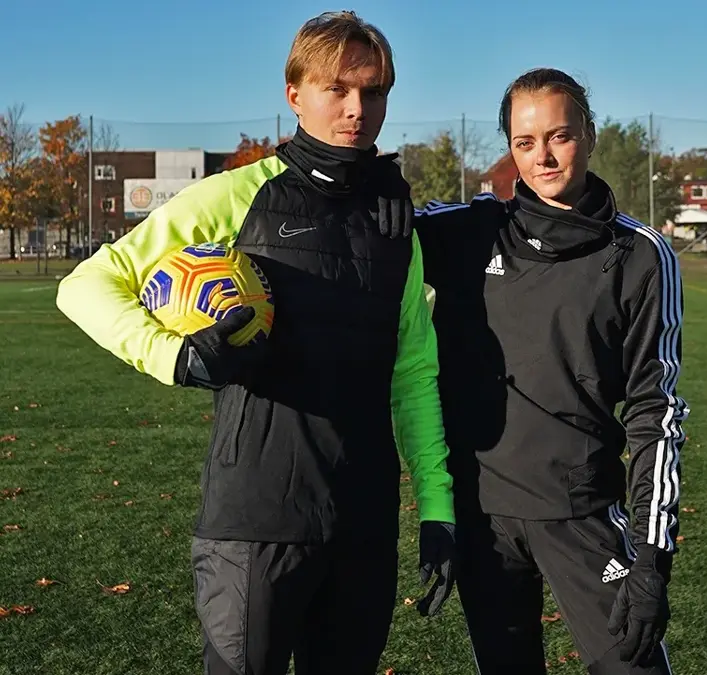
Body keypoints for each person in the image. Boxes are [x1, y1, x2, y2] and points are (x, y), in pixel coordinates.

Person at [56, 11, 456, 675]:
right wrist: (174, 356)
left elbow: (413, 371)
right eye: (337, 89)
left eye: (374, 91)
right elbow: (88, 284)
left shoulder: (395, 220)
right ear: (294, 93)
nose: (357, 108)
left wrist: (437, 509)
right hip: (254, 518)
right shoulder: (237, 196)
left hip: (363, 521)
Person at [415, 68, 689, 675]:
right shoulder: (471, 232)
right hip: (483, 516)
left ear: (589, 136)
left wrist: (650, 560)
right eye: (524, 142)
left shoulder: (639, 255)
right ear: (510, 146)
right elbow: (364, 232)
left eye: (559, 136)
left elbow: (655, 412)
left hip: (580, 511)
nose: (543, 156)